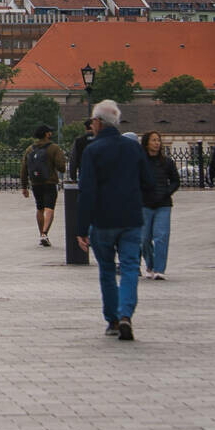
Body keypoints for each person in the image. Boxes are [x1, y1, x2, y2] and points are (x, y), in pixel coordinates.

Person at [73, 100, 154, 341]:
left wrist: (81, 228)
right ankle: (126, 313)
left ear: (97, 122)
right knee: (130, 267)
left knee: (107, 270)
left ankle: (113, 320)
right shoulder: (133, 148)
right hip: (130, 217)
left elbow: (86, 191)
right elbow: (148, 182)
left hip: (103, 219)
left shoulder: (93, 150)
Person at [139, 131, 181, 280]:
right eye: (153, 140)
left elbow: (176, 181)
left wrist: (166, 192)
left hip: (163, 204)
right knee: (144, 238)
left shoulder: (167, 162)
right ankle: (150, 264)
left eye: (158, 140)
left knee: (161, 236)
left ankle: (159, 269)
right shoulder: (140, 162)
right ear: (146, 143)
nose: (157, 143)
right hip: (144, 204)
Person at [19, 126, 68, 248]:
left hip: (36, 183)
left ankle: (41, 233)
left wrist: (24, 186)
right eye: (50, 131)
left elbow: (24, 169)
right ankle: (45, 233)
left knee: (40, 207)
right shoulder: (54, 148)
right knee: (49, 207)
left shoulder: (30, 149)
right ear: (47, 134)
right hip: (50, 182)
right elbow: (61, 167)